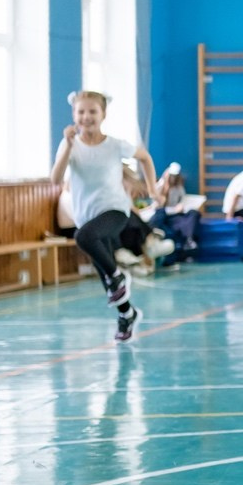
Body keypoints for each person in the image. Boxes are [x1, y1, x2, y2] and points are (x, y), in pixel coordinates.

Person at [50, 90, 157, 342]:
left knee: (83, 238)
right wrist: (66, 145)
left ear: (103, 115)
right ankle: (127, 313)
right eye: (81, 112)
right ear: (74, 115)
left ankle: (118, 277)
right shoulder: (70, 146)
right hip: (86, 215)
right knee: (106, 277)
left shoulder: (115, 145)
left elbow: (145, 158)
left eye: (92, 112)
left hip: (115, 210)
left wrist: (152, 189)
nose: (86, 117)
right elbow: (55, 179)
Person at [149, 162, 202, 263]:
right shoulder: (160, 186)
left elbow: (183, 200)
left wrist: (181, 206)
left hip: (177, 215)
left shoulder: (179, 188)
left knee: (193, 214)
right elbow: (156, 206)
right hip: (164, 215)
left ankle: (189, 240)